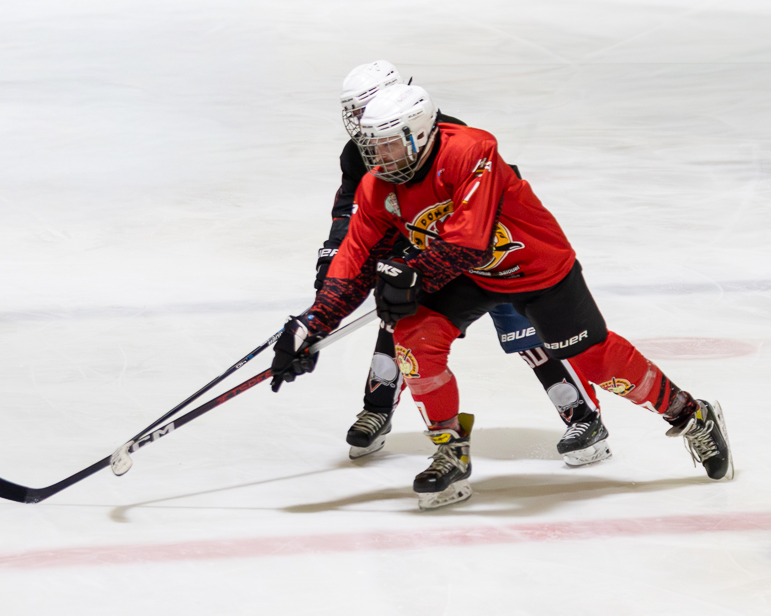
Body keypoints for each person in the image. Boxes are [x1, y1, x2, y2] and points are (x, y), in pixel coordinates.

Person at [273, 82, 733, 510]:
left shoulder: (472, 149)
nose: (378, 157)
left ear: (417, 134)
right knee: (412, 339)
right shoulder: (379, 185)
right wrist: (311, 325)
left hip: (535, 268)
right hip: (468, 275)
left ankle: (691, 414)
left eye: (388, 143)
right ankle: (450, 452)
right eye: (371, 147)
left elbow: (468, 240)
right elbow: (354, 260)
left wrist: (411, 275)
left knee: (597, 362)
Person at [321, 61, 609, 467]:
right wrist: (333, 254)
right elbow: (351, 205)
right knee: (402, 324)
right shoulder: (360, 152)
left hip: (488, 251)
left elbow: (474, 210)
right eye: (355, 112)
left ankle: (581, 414)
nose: (362, 124)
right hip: (426, 248)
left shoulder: (445, 136)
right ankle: (378, 406)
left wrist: (428, 259)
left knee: (527, 331)